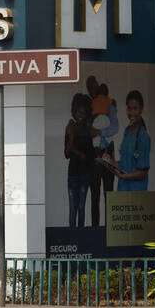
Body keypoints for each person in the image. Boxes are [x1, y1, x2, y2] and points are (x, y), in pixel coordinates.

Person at [85, 77, 119, 225]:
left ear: (98, 87)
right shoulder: (87, 106)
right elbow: (85, 130)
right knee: (95, 196)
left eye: (94, 85)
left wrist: (99, 132)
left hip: (106, 153)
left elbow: (115, 127)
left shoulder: (109, 105)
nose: (91, 88)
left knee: (109, 195)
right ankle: (94, 231)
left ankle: (109, 230)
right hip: (93, 155)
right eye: (89, 86)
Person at [63, 94, 94, 228]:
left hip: (84, 175)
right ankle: (71, 237)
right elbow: (66, 154)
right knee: (72, 209)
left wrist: (80, 154)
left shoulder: (87, 131)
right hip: (72, 174)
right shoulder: (70, 128)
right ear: (74, 112)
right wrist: (71, 137)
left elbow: (88, 155)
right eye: (78, 112)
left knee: (81, 207)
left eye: (83, 112)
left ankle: (80, 238)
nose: (80, 115)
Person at [111, 90, 151, 192]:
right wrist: (111, 163)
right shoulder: (127, 131)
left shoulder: (143, 136)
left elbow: (142, 173)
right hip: (123, 190)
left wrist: (124, 176)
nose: (131, 112)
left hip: (136, 193)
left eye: (135, 108)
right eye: (129, 108)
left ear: (141, 109)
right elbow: (127, 163)